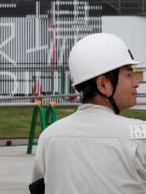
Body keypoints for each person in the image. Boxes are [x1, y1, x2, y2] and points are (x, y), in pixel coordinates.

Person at [30, 32, 146, 194]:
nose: (136, 83)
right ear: (103, 84)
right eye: (128, 75)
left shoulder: (49, 137)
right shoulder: (140, 136)